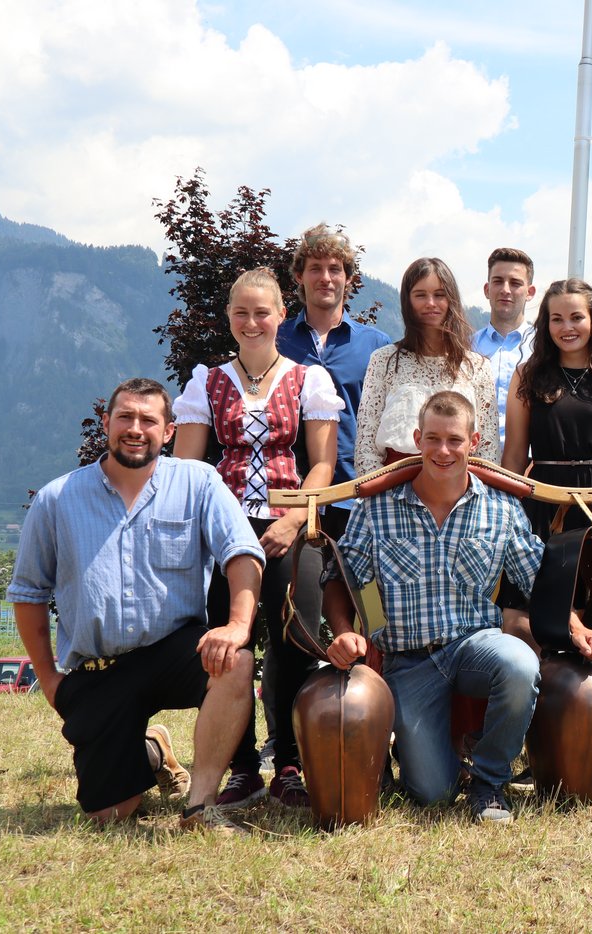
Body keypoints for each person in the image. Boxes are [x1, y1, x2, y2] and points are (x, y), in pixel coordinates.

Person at [321, 391, 592, 823]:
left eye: (454, 439)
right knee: (432, 793)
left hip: (476, 644)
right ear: (417, 439)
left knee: (520, 663)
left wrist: (575, 626)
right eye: (432, 438)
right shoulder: (374, 510)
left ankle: (490, 781)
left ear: (474, 443)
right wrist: (343, 630)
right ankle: (422, 758)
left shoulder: (502, 509)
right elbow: (339, 580)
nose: (443, 450)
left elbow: (538, 582)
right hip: (408, 659)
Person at [8, 378, 265, 833]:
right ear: (106, 424)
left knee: (236, 662)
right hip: (98, 670)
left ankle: (200, 806)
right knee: (109, 814)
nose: (135, 428)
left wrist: (238, 625)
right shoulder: (56, 499)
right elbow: (28, 592)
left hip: (175, 651)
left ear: (168, 431)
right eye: (125, 417)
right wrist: (48, 679)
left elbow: (242, 552)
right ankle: (153, 752)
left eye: (149, 420)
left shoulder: (198, 481)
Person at [172, 268, 344, 809]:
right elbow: (187, 465)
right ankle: (241, 766)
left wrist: (293, 521)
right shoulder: (206, 381)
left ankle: (288, 763)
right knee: (230, 645)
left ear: (279, 316)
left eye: (262, 312)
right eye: (241, 313)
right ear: (229, 319)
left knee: (295, 641)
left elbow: (322, 464)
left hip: (289, 522)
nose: (252, 322)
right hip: (223, 530)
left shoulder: (307, 378)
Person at [502, 278, 592, 642]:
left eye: (576, 317)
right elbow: (515, 457)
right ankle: (536, 697)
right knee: (524, 620)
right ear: (545, 325)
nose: (567, 327)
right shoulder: (527, 375)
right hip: (543, 508)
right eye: (557, 319)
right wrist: (504, 518)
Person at [276, 223, 391, 541]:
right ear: (299, 276)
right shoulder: (276, 340)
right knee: (295, 591)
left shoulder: (377, 346)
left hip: (355, 496)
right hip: (288, 494)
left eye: (334, 269)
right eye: (315, 268)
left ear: (349, 278)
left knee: (352, 591)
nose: (325, 278)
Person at [356, 257, 500, 474]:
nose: (430, 303)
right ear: (407, 300)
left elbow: (488, 452)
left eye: (439, 295)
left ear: (451, 299)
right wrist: (382, 495)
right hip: (393, 490)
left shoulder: (477, 367)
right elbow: (365, 448)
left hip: (459, 488)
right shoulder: (383, 361)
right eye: (420, 295)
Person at [472, 247, 537, 446]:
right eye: (498, 281)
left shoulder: (544, 347)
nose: (505, 289)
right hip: (475, 463)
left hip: (529, 464)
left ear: (530, 292)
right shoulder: (466, 347)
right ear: (486, 289)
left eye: (515, 283)